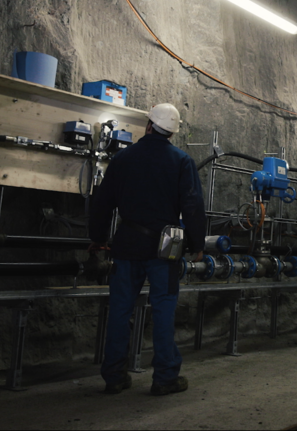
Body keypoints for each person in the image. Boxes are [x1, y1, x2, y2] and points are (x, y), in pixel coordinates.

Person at [89, 103, 206, 396]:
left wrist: (98, 237)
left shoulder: (122, 159)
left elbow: (102, 203)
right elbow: (192, 206)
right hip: (164, 249)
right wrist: (198, 245)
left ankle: (114, 375)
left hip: (127, 244)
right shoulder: (181, 161)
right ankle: (165, 377)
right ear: (172, 131)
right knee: (164, 309)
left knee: (119, 309)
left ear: (149, 125)